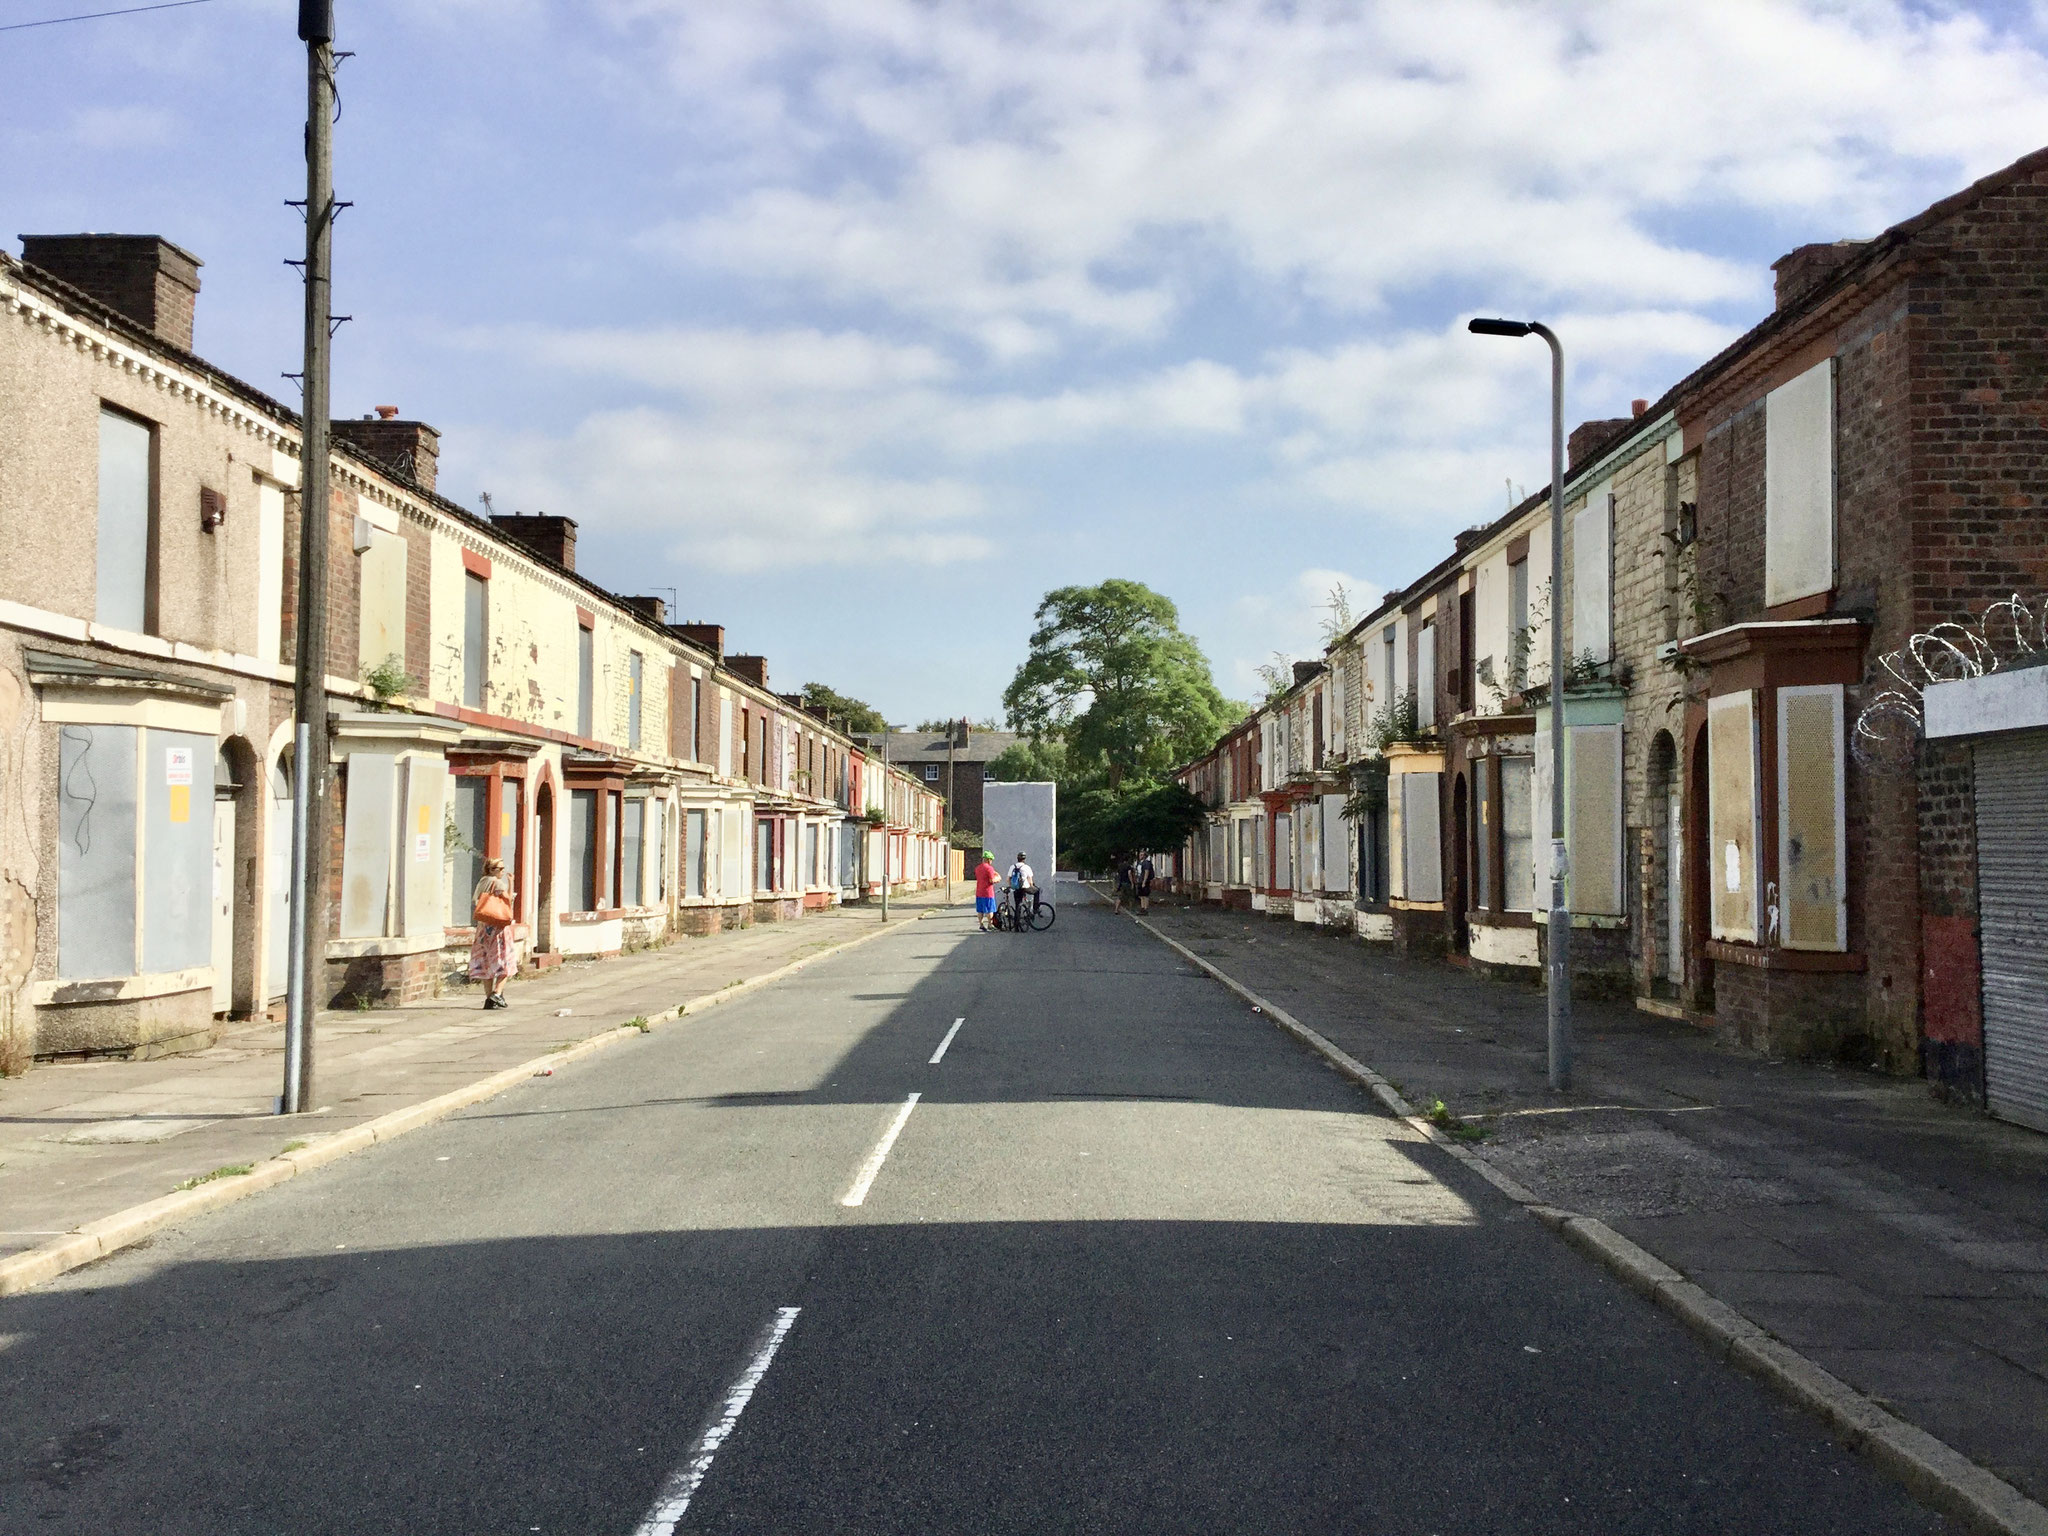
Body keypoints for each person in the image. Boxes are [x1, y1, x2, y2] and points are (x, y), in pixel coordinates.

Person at [469, 856, 515, 1009]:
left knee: (486, 963)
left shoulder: (482, 882)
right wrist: (512, 883)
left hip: (483, 928)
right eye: (499, 869)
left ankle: (489, 999)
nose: (502, 871)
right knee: (505, 961)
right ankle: (497, 992)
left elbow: (476, 900)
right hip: (498, 928)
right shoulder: (497, 883)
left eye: (502, 868)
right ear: (491, 870)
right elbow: (508, 900)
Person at [972, 850, 1000, 931]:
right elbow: (991, 880)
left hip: (979, 891)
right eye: (991, 860)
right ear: (988, 859)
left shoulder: (977, 868)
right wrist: (998, 878)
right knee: (989, 909)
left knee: (980, 910)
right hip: (988, 892)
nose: (991, 861)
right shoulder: (989, 868)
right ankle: (990, 924)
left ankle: (981, 924)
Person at [1007, 852, 1034, 931]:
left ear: (1017, 858)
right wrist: (1032, 886)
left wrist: (1011, 886)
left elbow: (1008, 879)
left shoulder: (1012, 866)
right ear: (1024, 859)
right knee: (1037, 891)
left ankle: (1016, 925)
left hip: (1015, 888)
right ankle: (1035, 908)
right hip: (1024, 887)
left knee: (1017, 904)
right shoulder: (1027, 867)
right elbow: (1030, 880)